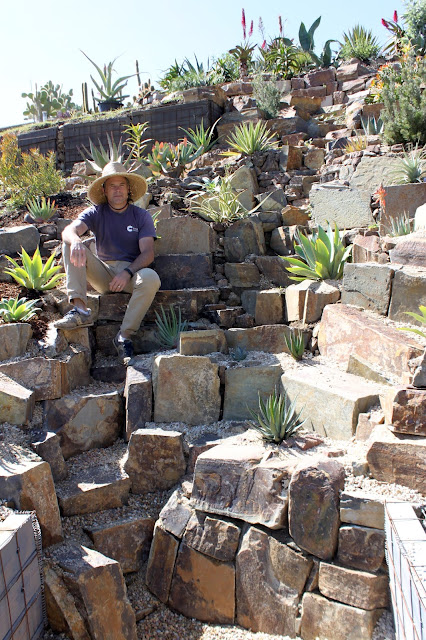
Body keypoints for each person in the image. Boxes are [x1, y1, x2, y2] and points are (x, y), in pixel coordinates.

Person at [54, 161, 161, 363]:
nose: (117, 190)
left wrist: (127, 272)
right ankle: (80, 310)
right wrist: (76, 240)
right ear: (104, 189)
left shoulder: (141, 216)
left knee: (151, 278)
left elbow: (147, 253)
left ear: (129, 188)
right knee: (69, 244)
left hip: (131, 274)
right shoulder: (96, 212)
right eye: (112, 185)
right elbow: (68, 230)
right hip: (102, 273)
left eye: (121, 184)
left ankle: (124, 337)